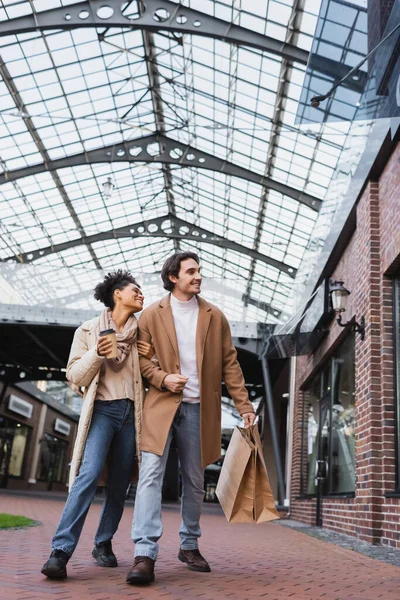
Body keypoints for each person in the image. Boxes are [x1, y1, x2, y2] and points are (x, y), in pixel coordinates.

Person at [126, 252, 256, 585]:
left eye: (199, 271)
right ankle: (144, 553)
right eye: (191, 271)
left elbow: (230, 364)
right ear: (173, 277)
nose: (198, 276)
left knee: (196, 480)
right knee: (151, 475)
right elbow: (142, 362)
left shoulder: (215, 316)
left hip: (201, 409)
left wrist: (245, 406)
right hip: (161, 406)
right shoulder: (151, 315)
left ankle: (189, 544)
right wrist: (162, 378)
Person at [41, 270, 152, 579]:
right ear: (118, 294)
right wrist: (97, 353)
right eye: (136, 290)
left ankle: (103, 544)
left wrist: (151, 356)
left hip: (132, 414)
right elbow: (74, 375)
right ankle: (60, 552)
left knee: (120, 484)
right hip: (103, 411)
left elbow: (152, 372)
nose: (141, 295)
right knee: (87, 475)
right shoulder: (88, 330)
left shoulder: (141, 335)